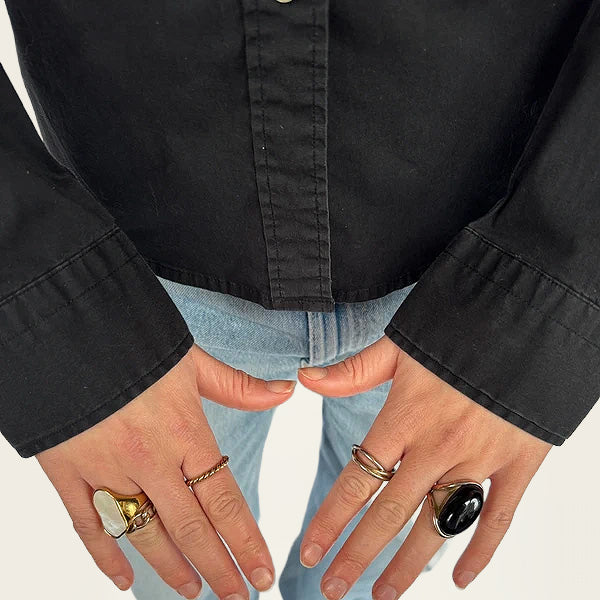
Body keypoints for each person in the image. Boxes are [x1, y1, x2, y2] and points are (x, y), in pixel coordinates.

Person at [1, 2, 599, 599]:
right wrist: (53, 319)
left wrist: (539, 308)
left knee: (363, 575)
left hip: (466, 280)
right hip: (136, 283)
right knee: (185, 574)